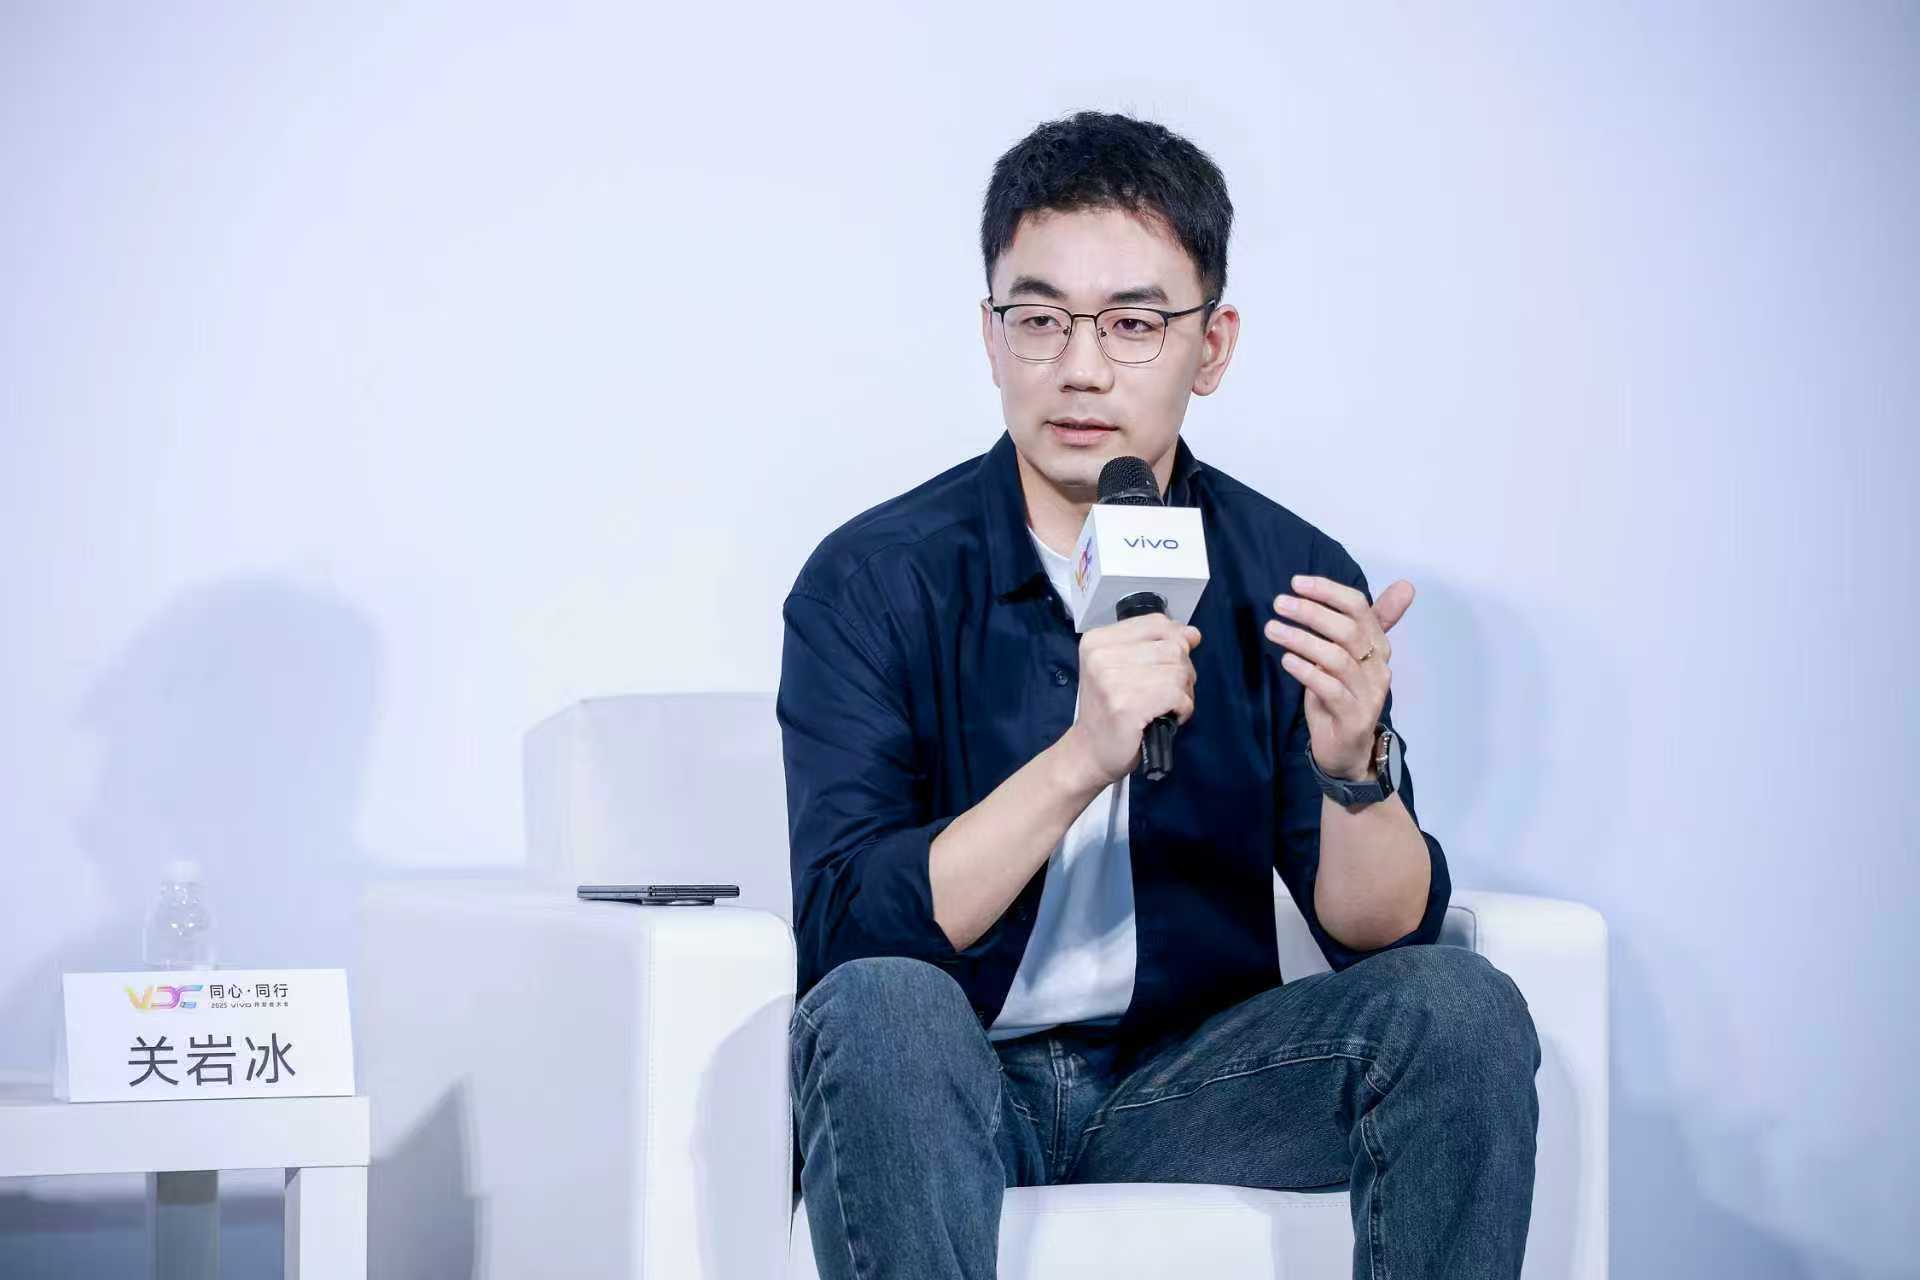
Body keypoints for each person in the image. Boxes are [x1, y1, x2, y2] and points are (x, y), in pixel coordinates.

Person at [778, 109, 1540, 1280]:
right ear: (990, 337)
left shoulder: (1289, 572)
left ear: (1212, 345)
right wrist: (1081, 756)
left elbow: (1380, 932)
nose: (1081, 367)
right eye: (1040, 319)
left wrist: (1355, 771)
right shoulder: (874, 578)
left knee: (1460, 1004)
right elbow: (848, 934)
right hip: (949, 1079)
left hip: (1191, 1081)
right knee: (882, 1006)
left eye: (1133, 324)